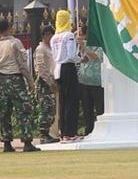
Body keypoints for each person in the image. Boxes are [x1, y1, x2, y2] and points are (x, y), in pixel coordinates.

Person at [0, 19, 40, 152]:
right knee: (24, 110)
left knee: (4, 113)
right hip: (16, 80)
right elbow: (22, 64)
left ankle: (7, 143)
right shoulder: (15, 43)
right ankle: (27, 141)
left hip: (1, 81)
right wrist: (30, 81)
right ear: (9, 28)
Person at [50, 10, 81, 143]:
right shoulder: (69, 35)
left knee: (62, 101)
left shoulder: (54, 38)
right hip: (68, 68)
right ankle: (70, 132)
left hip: (58, 69)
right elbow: (71, 55)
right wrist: (79, 59)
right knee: (71, 101)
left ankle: (63, 132)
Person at [77, 22, 104, 135]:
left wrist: (84, 47)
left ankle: (101, 130)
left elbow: (95, 57)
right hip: (84, 81)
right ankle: (89, 131)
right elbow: (81, 58)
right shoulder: (82, 45)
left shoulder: (100, 44)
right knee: (87, 109)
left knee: (99, 109)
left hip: (97, 81)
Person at [34, 24, 59, 144]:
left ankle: (47, 133)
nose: (51, 37)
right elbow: (41, 68)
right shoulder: (41, 49)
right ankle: (44, 134)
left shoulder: (50, 48)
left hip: (52, 81)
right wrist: (50, 82)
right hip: (44, 83)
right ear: (44, 35)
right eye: (49, 34)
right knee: (45, 108)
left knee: (51, 108)